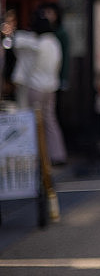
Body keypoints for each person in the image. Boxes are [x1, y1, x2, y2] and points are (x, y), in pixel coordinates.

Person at [11, 13, 67, 165]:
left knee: (33, 122)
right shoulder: (54, 43)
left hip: (36, 87)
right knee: (50, 120)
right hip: (51, 87)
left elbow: (17, 41)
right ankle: (57, 154)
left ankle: (36, 155)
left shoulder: (37, 43)